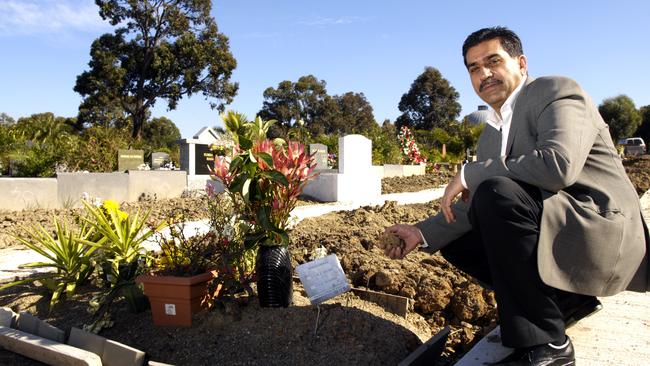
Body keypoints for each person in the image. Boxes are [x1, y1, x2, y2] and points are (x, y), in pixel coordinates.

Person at [385, 26, 649, 366]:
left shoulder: (557, 92)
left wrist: (468, 173)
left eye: (493, 61)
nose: (484, 74)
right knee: (458, 234)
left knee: (497, 193)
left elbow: (558, 165)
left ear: (521, 63)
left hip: (598, 229)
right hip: (560, 227)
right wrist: (420, 233)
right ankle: (563, 303)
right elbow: (472, 210)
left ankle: (548, 347)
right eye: (474, 68)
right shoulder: (490, 135)